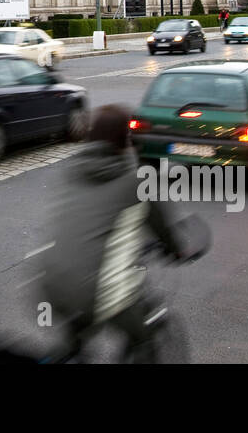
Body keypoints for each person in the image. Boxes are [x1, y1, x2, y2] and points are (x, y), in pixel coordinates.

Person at [32, 105, 189, 363]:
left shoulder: (73, 170)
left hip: (49, 283)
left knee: (76, 341)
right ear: (125, 141)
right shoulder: (135, 183)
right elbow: (163, 229)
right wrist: (176, 249)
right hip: (96, 290)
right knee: (143, 337)